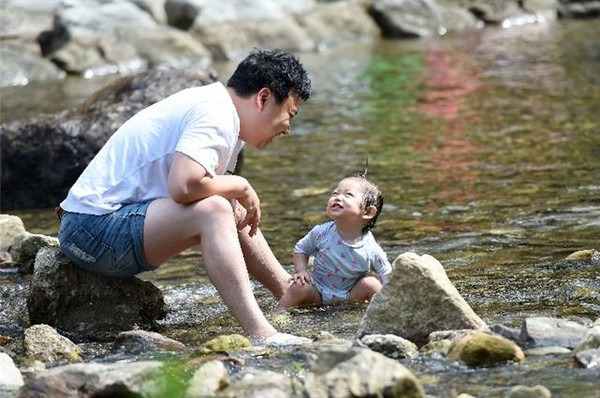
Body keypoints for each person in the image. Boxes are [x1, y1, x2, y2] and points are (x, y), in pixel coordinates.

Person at [57, 49, 312, 345]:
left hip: (98, 227)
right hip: (90, 231)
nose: (288, 129)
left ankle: (288, 289)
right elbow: (184, 186)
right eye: (289, 115)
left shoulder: (225, 116)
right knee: (216, 209)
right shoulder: (215, 113)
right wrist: (240, 185)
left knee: (226, 206)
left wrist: (234, 192)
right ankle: (261, 333)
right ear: (263, 98)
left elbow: (204, 192)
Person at [278, 171, 392, 309]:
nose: (337, 198)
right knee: (298, 286)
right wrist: (301, 270)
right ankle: (279, 314)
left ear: (368, 212)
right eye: (335, 193)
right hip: (318, 292)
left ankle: (383, 313)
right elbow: (301, 249)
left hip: (351, 295)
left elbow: (386, 275)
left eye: (348, 195)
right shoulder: (321, 233)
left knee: (371, 284)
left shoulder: (371, 248)